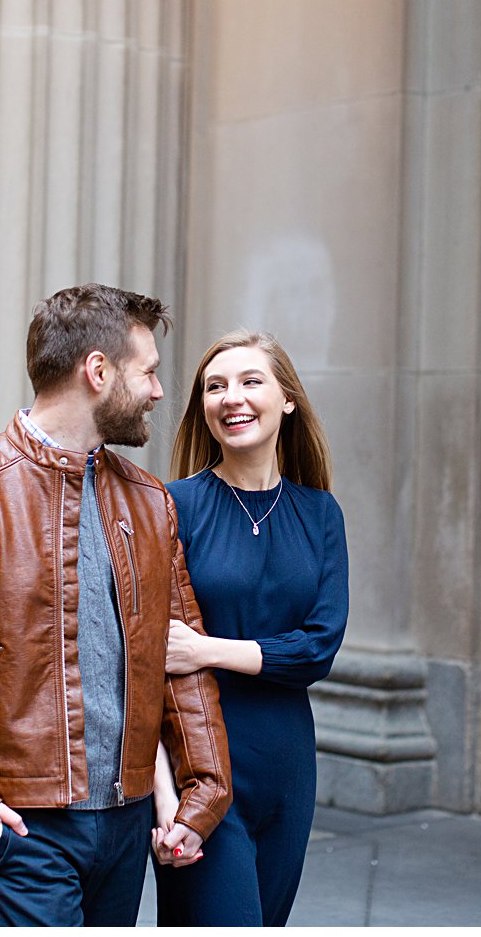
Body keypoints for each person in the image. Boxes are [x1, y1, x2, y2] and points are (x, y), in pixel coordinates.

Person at [0, 283, 232, 927]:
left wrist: (201, 795)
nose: (158, 392)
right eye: (147, 372)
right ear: (97, 371)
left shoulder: (150, 502)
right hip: (23, 828)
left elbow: (179, 657)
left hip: (127, 823)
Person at [151, 329, 349, 926]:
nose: (231, 398)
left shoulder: (320, 514)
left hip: (288, 767)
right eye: (215, 387)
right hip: (201, 765)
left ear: (287, 399)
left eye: (250, 381)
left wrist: (206, 649)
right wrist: (165, 802)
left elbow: (318, 650)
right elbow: (146, 666)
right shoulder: (171, 506)